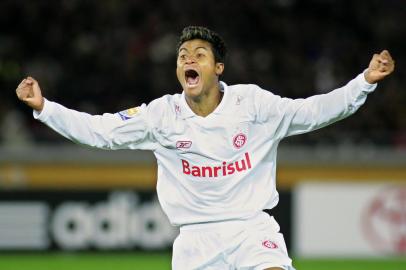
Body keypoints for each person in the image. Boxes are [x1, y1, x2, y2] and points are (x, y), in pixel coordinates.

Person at [16, 26, 395, 270]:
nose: (188, 59)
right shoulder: (162, 115)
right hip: (195, 242)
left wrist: (363, 82)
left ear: (219, 68)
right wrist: (45, 108)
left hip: (251, 229)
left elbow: (313, 111)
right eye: (183, 56)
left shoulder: (254, 105)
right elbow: (100, 131)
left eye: (199, 54)